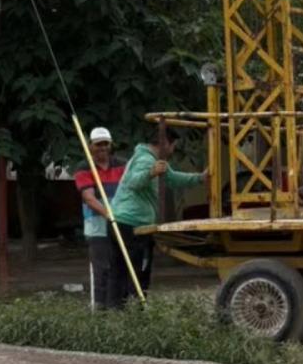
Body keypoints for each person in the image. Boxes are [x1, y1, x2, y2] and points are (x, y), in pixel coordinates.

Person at [107, 127, 206, 308]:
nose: (173, 150)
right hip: (133, 225)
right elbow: (133, 182)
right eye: (173, 145)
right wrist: (150, 173)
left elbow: (173, 179)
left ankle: (116, 311)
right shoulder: (146, 160)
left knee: (118, 270)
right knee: (138, 272)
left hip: (120, 221)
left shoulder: (151, 160)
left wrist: (199, 178)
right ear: (165, 143)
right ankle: (134, 312)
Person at [72, 127, 126, 310]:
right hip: (97, 227)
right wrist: (108, 214)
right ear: (91, 146)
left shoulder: (122, 165)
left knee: (118, 268)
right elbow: (89, 197)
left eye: (105, 144)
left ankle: (116, 307)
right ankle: (99, 309)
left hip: (121, 223)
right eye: (98, 144)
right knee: (101, 270)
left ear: (110, 145)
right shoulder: (84, 167)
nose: (102, 148)